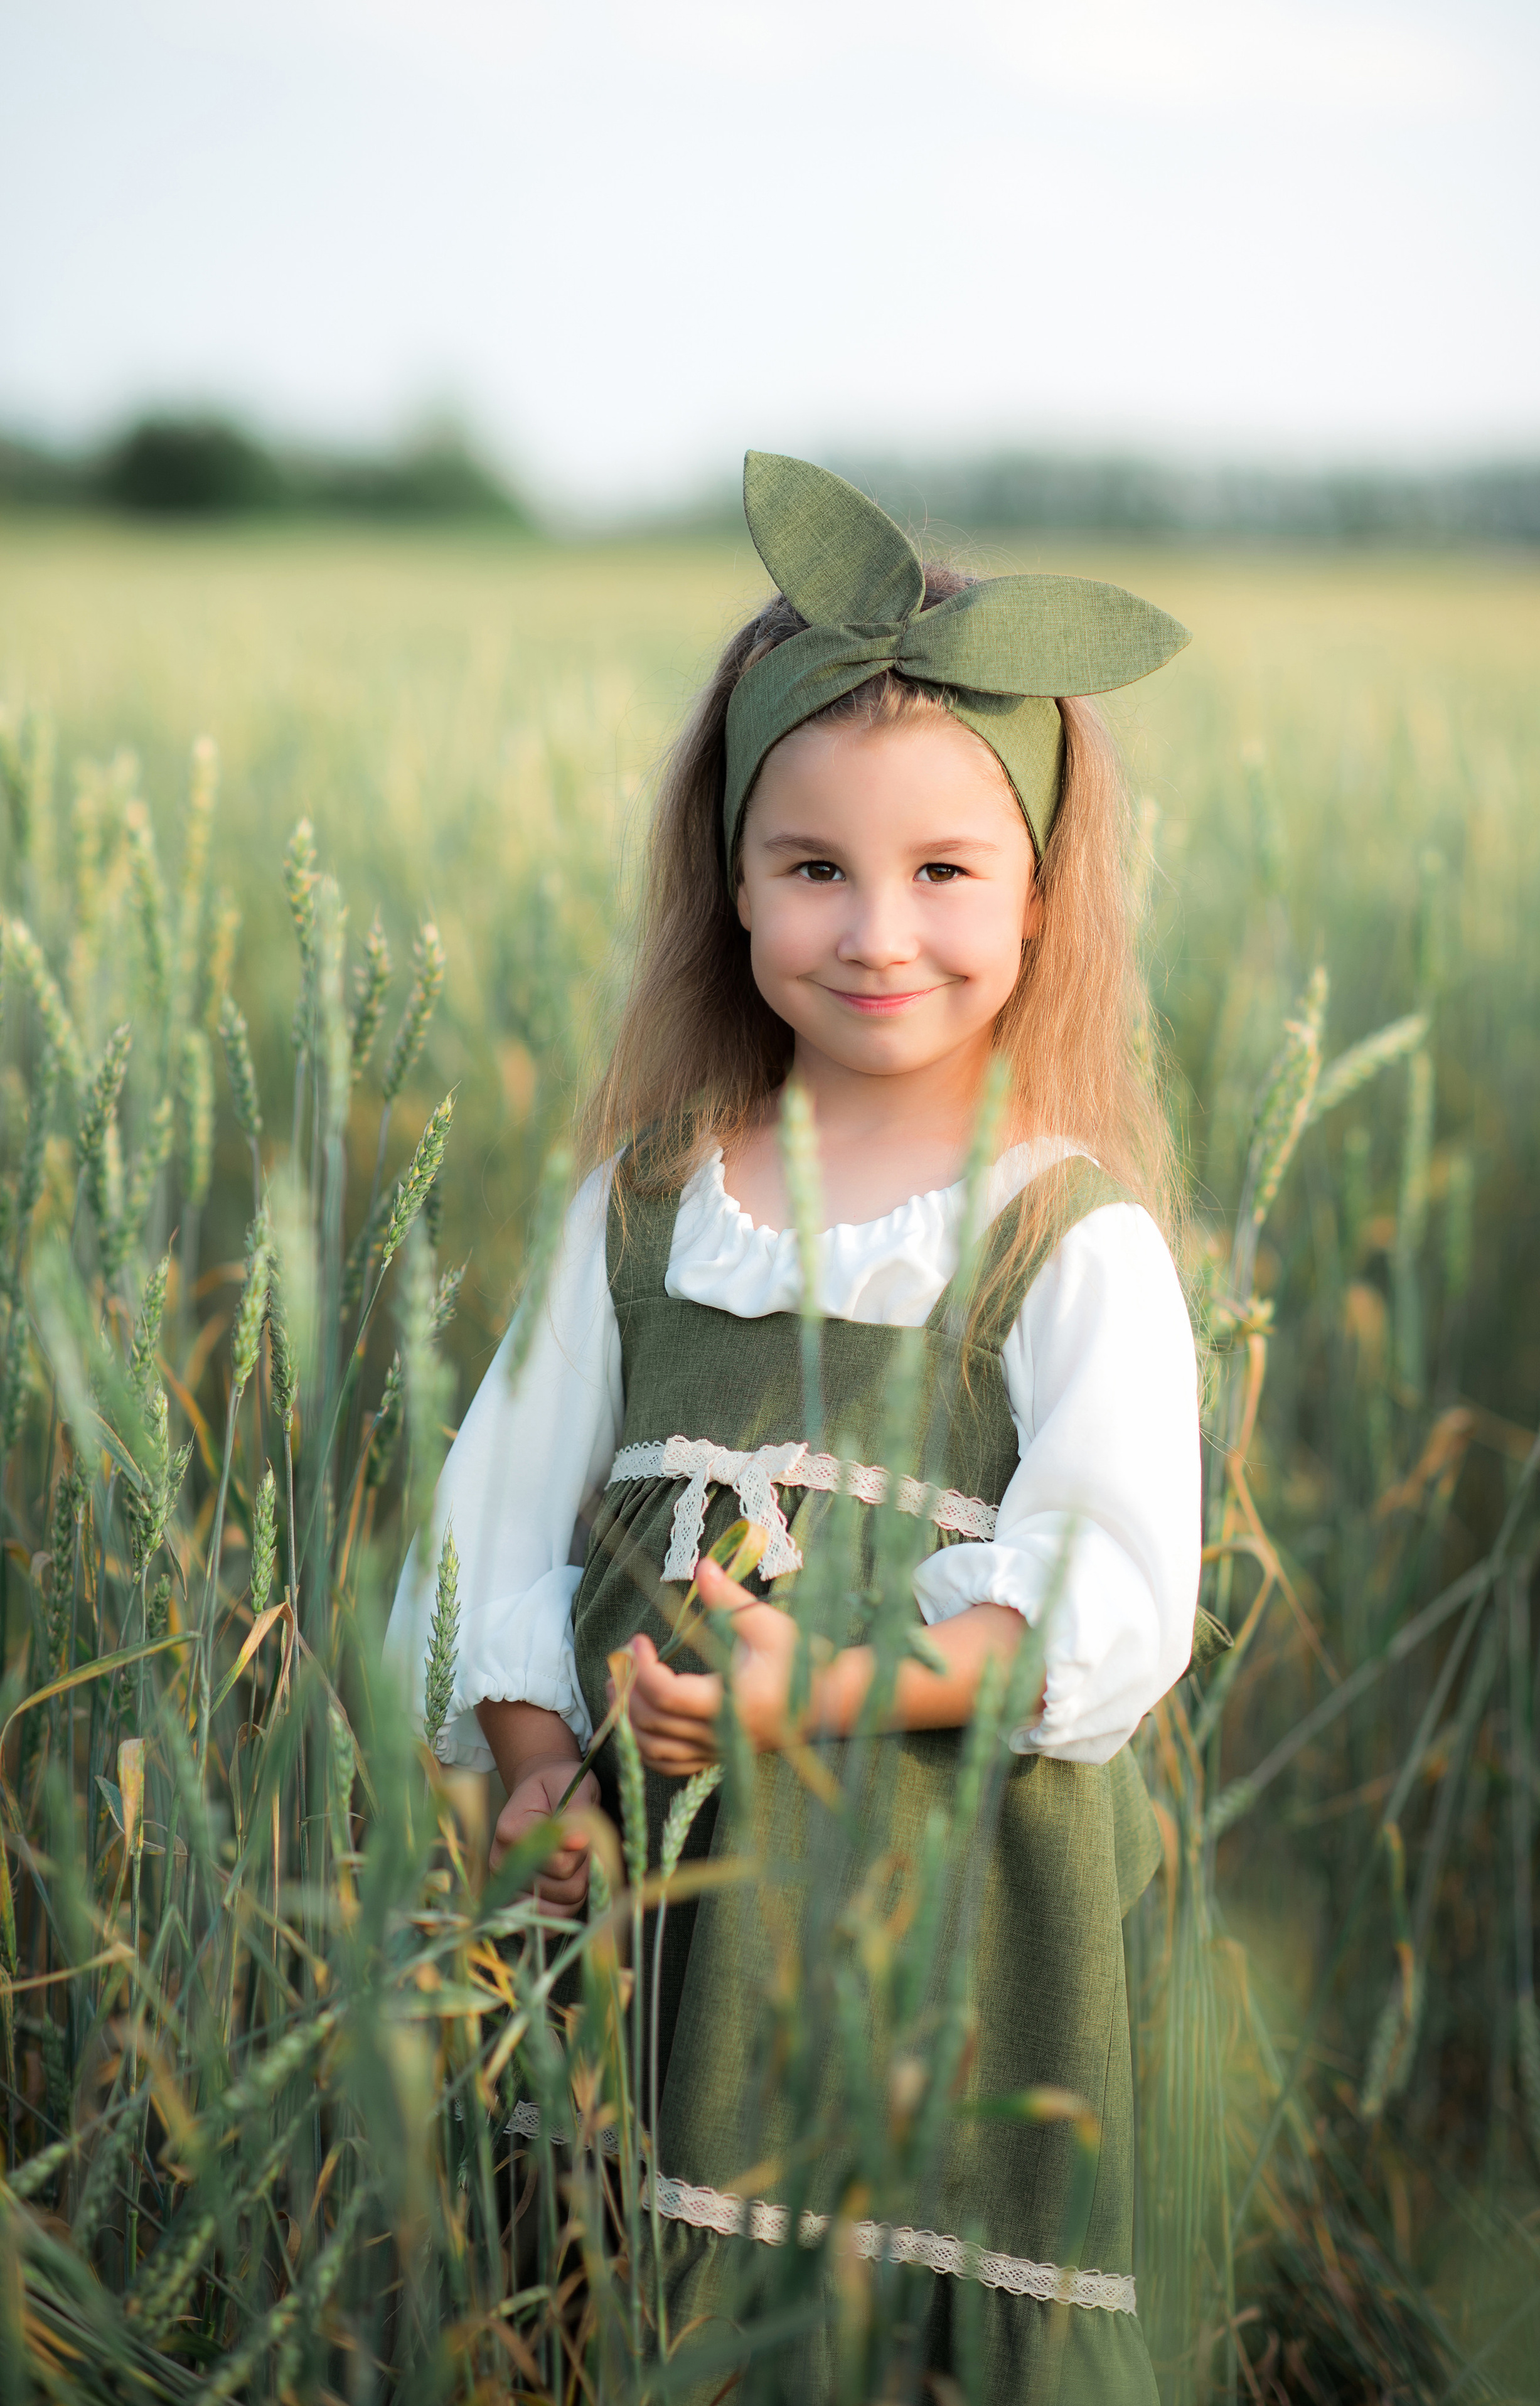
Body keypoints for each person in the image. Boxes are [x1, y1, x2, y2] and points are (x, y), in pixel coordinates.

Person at [385, 451, 1205, 2402]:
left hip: (936, 1949)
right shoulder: (648, 1209)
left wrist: (819, 1691)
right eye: (814, 866)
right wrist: (536, 1774)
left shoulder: (1064, 1238)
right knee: (636, 2301)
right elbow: (494, 1527)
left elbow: (1102, 1606)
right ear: (733, 880)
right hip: (656, 1920)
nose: (877, 930)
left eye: (946, 871)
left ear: (1039, 885)